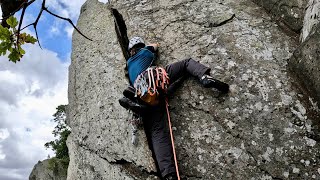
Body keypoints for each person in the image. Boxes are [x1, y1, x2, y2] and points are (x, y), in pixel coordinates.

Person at [119, 36, 229, 180]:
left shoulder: (129, 63)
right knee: (185, 63)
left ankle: (168, 174)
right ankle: (204, 77)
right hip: (152, 80)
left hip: (142, 93)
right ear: (140, 46)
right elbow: (156, 45)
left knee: (157, 132)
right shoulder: (146, 52)